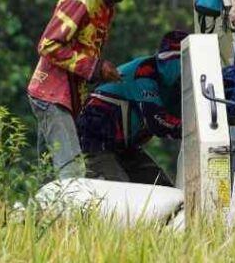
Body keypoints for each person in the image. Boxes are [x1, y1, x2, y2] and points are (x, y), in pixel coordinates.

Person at [26, 0, 147, 179]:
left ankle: (35, 205)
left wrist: (98, 71)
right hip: (52, 94)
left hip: (65, 98)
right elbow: (48, 45)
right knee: (72, 173)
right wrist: (96, 67)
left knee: (48, 175)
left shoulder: (105, 5)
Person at [77, 31, 187, 186]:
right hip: (96, 139)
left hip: (125, 146)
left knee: (161, 188)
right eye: (184, 64)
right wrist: (192, 128)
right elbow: (157, 121)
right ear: (170, 60)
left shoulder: (174, 86)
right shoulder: (146, 70)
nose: (186, 72)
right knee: (118, 190)